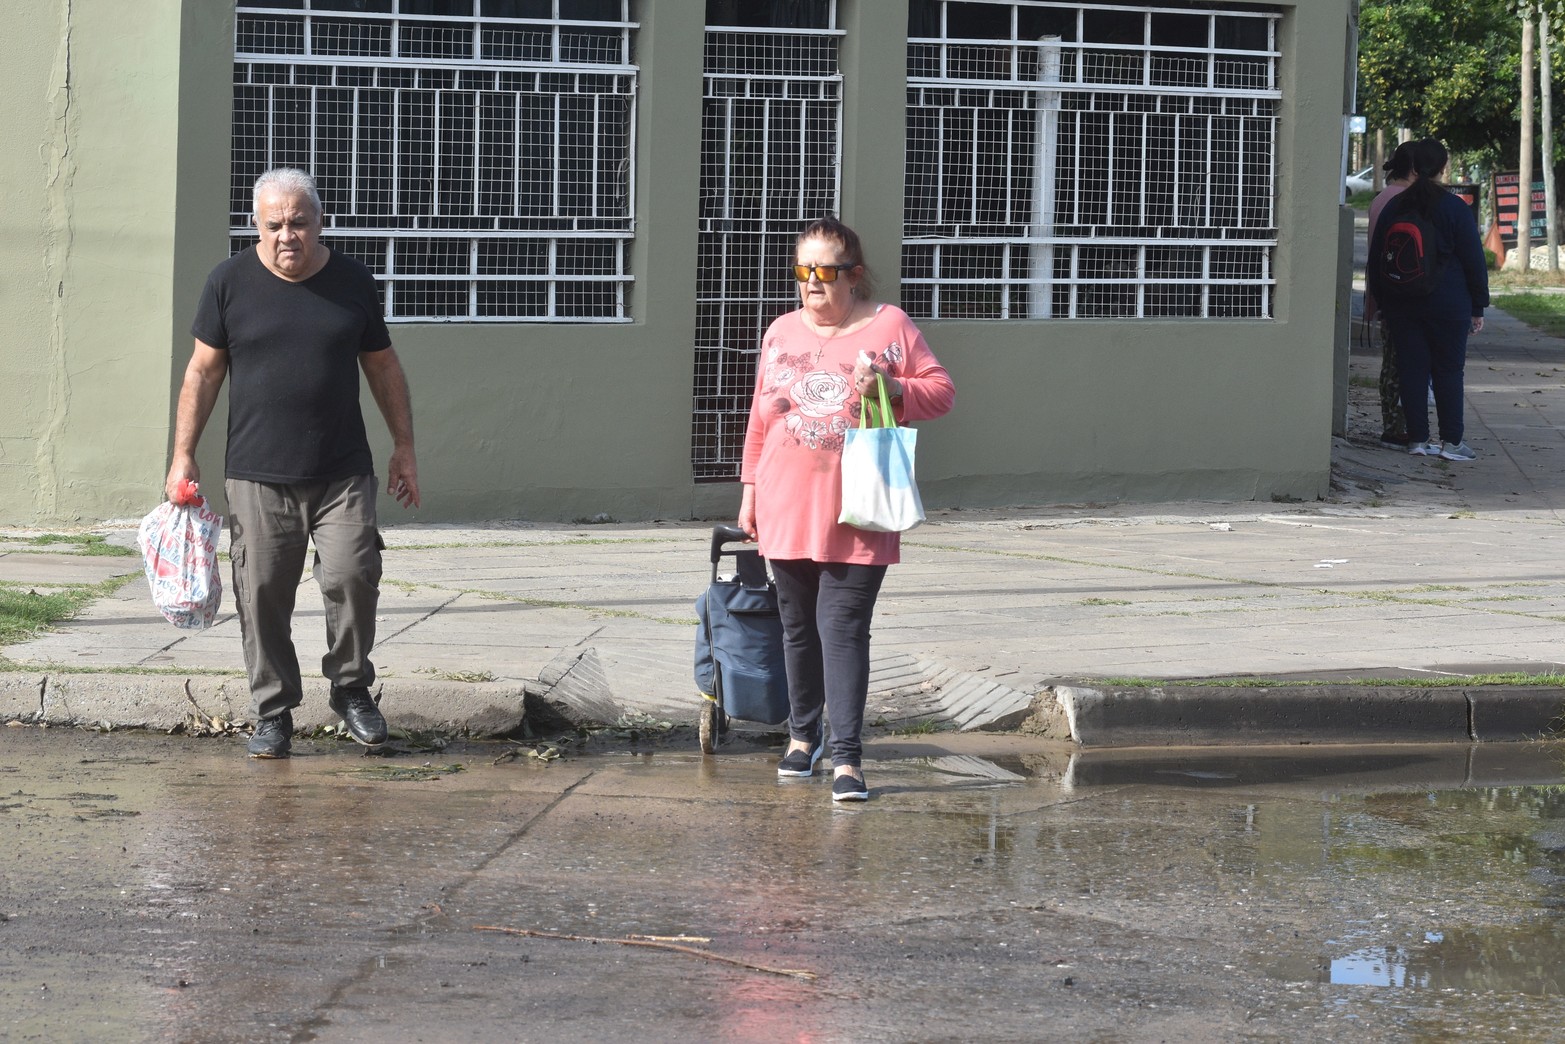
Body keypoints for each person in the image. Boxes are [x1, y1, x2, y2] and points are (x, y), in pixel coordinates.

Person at [165, 167, 421, 758]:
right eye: (274, 224)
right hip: (256, 473)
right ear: (256, 225)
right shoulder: (228, 282)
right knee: (260, 592)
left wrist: (403, 447)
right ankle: (274, 710)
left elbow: (382, 366)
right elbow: (203, 372)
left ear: (319, 222)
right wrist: (183, 455)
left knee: (353, 574)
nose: (288, 235)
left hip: (343, 472)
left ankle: (352, 689)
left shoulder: (353, 282)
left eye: (299, 223)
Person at [738, 217, 955, 802]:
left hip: (860, 504)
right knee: (796, 629)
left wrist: (893, 382)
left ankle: (848, 759)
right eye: (802, 270)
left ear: (854, 276)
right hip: (785, 504)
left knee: (842, 628)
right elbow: (761, 420)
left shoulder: (890, 326)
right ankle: (802, 740)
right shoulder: (779, 331)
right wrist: (750, 492)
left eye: (825, 271)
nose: (812, 283)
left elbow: (941, 392)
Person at [1367, 138, 1489, 461]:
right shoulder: (1454, 208)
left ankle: (1417, 440)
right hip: (1448, 305)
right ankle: (1452, 443)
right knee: (1449, 370)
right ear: (1442, 168)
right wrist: (1478, 305)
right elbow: (1474, 260)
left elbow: (1378, 257)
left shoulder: (1395, 205)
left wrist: (1383, 300)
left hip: (1402, 304)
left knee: (1412, 369)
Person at [1364, 141, 1415, 449]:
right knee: (1398, 364)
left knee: (1392, 362)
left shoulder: (1382, 197)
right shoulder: (1402, 200)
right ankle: (1395, 428)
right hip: (1400, 292)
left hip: (1384, 290)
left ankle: (1394, 424)